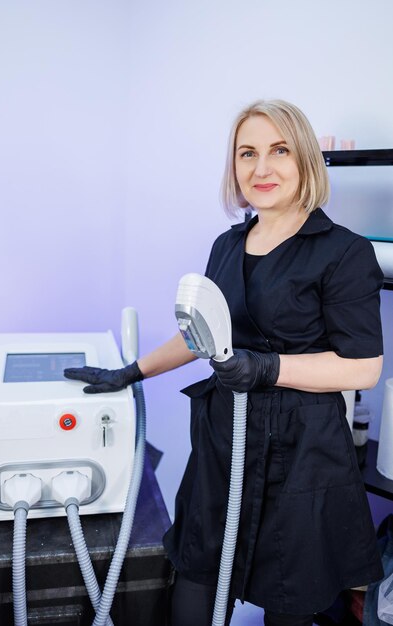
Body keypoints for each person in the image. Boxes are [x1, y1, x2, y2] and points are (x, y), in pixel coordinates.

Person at [64, 99, 384, 626]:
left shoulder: (344, 253)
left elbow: (362, 367)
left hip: (303, 453)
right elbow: (202, 336)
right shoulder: (226, 246)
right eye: (247, 153)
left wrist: (266, 368)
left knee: (289, 599)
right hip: (224, 441)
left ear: (304, 157)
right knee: (195, 577)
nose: (261, 168)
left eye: (279, 150)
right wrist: (130, 371)